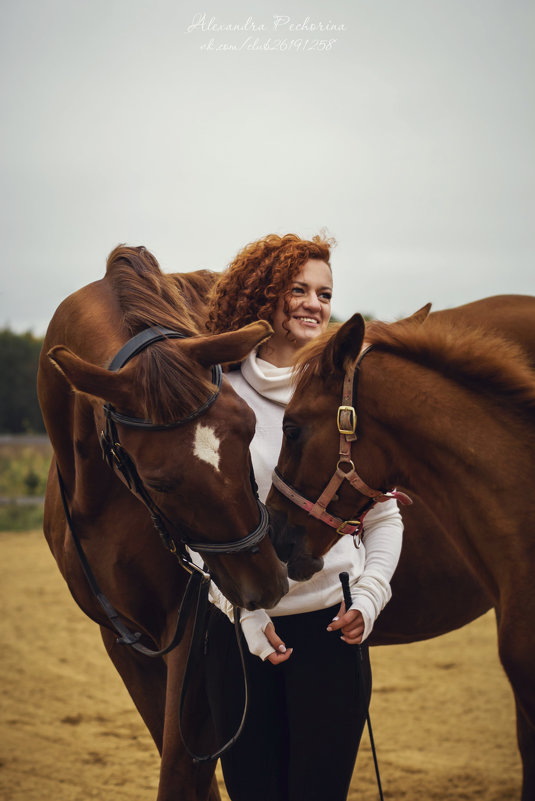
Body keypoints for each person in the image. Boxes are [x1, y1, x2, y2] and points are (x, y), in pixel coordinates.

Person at [201, 233, 403, 801]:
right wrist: (242, 612)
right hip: (242, 638)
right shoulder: (218, 393)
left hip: (331, 633)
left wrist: (369, 596)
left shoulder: (349, 393)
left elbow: (384, 516)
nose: (315, 303)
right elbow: (193, 529)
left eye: (325, 293)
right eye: (299, 289)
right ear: (265, 294)